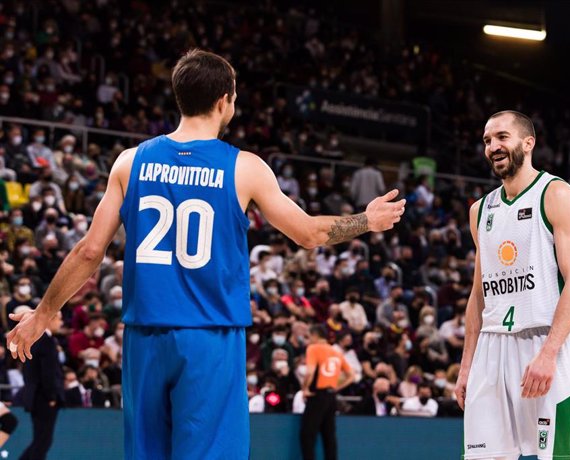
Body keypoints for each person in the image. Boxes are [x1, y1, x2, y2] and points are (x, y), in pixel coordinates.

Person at [6, 49, 405, 460]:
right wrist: (366, 220)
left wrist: (41, 315)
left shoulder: (130, 162)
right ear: (224, 101)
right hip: (208, 337)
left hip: (144, 338)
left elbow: (90, 251)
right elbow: (308, 233)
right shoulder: (244, 168)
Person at [454, 111, 570, 459]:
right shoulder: (480, 210)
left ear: (528, 143)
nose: (493, 147)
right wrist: (467, 365)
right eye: (487, 141)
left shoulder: (556, 193)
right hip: (491, 348)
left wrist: (549, 353)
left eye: (502, 137)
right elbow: (478, 294)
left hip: (543, 343)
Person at [300, 324, 354, 460]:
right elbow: (351, 375)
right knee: (329, 435)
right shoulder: (336, 352)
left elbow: (310, 372)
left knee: (307, 434)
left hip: (317, 395)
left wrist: (305, 388)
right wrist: (336, 387)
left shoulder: (313, 348)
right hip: (331, 396)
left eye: (309, 336)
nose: (309, 339)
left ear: (315, 335)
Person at [19, 311, 64, 460]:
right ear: (50, 320)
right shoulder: (46, 341)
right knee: (43, 441)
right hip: (44, 398)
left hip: (36, 396)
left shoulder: (35, 339)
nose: (61, 323)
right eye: (59, 319)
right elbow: (48, 372)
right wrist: (51, 396)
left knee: (41, 440)